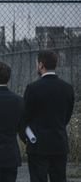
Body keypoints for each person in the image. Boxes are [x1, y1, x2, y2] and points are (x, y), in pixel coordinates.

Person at [23, 50, 75, 182]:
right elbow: (66, 116)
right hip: (59, 143)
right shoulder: (67, 88)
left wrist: (25, 137)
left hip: (38, 145)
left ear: (40, 64)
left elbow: (24, 117)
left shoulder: (33, 88)